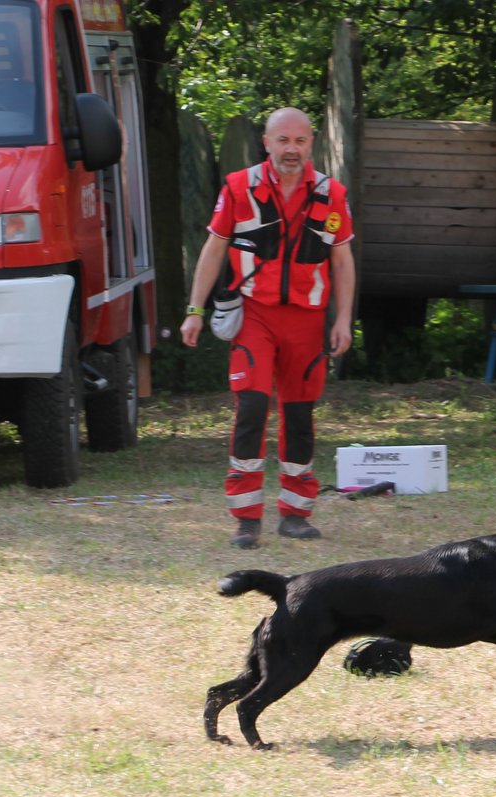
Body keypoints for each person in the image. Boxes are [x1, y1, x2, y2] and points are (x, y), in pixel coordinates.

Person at [181, 107, 356, 548]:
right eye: (283, 140)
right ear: (267, 142)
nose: (291, 149)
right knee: (252, 409)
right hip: (254, 315)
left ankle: (295, 513)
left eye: (299, 141)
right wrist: (194, 310)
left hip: (307, 320)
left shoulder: (331, 193)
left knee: (299, 416)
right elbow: (214, 249)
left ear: (310, 144)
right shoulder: (239, 188)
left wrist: (343, 320)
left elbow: (342, 261)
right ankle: (246, 517)